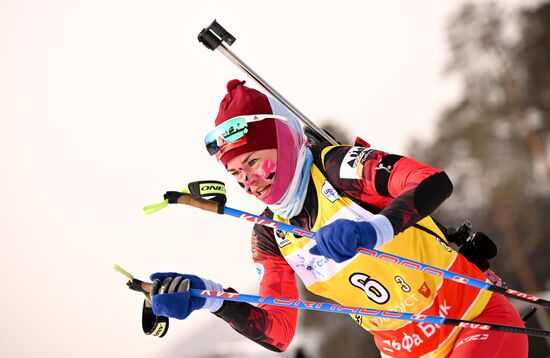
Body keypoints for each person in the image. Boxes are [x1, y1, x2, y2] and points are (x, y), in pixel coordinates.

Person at [149, 79, 528, 357]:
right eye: (235, 174)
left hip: (475, 320)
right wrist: (210, 298)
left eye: (252, 161)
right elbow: (278, 332)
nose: (248, 181)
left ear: (283, 142)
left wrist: (375, 229)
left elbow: (433, 181)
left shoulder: (337, 169)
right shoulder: (270, 234)